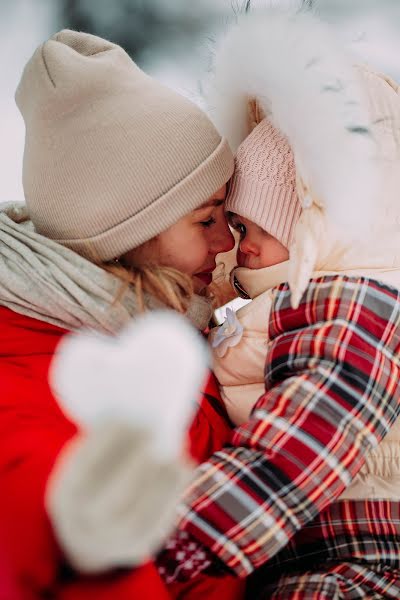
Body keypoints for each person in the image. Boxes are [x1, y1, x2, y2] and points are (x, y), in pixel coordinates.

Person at [157, 10, 400, 598]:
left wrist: (183, 541)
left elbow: (303, 443)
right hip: (297, 550)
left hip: (365, 553)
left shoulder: (359, 310)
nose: (241, 249)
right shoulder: (283, 303)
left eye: (250, 227)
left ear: (314, 220)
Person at [0, 28, 244, 599]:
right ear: (127, 236)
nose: (226, 241)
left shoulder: (172, 319)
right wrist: (81, 526)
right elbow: (26, 485)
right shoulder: (30, 356)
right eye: (206, 220)